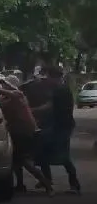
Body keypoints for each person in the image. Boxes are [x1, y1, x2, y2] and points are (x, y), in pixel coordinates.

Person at [0, 75, 54, 196]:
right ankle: (21, 185)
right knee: (16, 161)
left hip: (24, 132)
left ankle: (47, 184)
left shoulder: (17, 95)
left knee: (24, 161)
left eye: (6, 84)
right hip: (18, 132)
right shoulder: (9, 98)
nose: (4, 86)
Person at [32, 66, 81, 195]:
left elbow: (49, 106)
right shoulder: (61, 88)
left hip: (62, 127)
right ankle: (48, 180)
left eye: (48, 76)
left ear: (53, 77)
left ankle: (73, 184)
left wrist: (31, 111)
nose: (46, 79)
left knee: (62, 156)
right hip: (60, 126)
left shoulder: (60, 90)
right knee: (44, 151)